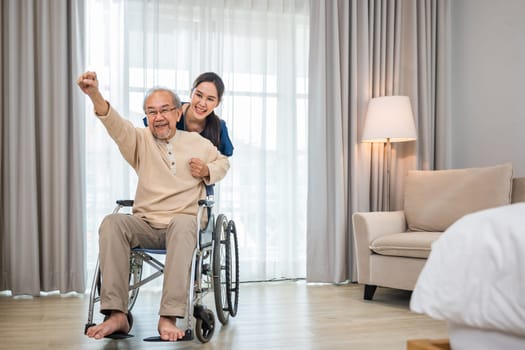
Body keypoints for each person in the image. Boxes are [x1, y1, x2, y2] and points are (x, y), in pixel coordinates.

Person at [77, 71, 230, 341]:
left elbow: (223, 163)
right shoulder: (139, 140)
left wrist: (207, 169)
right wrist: (94, 95)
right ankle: (116, 314)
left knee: (185, 222)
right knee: (113, 223)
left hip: (182, 225)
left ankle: (168, 317)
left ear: (178, 113)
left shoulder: (199, 143)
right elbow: (114, 123)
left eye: (164, 110)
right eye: (151, 112)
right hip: (146, 224)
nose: (158, 117)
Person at [143, 72, 234, 156]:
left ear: (217, 103)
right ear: (191, 93)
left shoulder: (219, 126)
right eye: (199, 95)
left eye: (210, 99)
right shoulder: (171, 110)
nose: (202, 103)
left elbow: (224, 159)